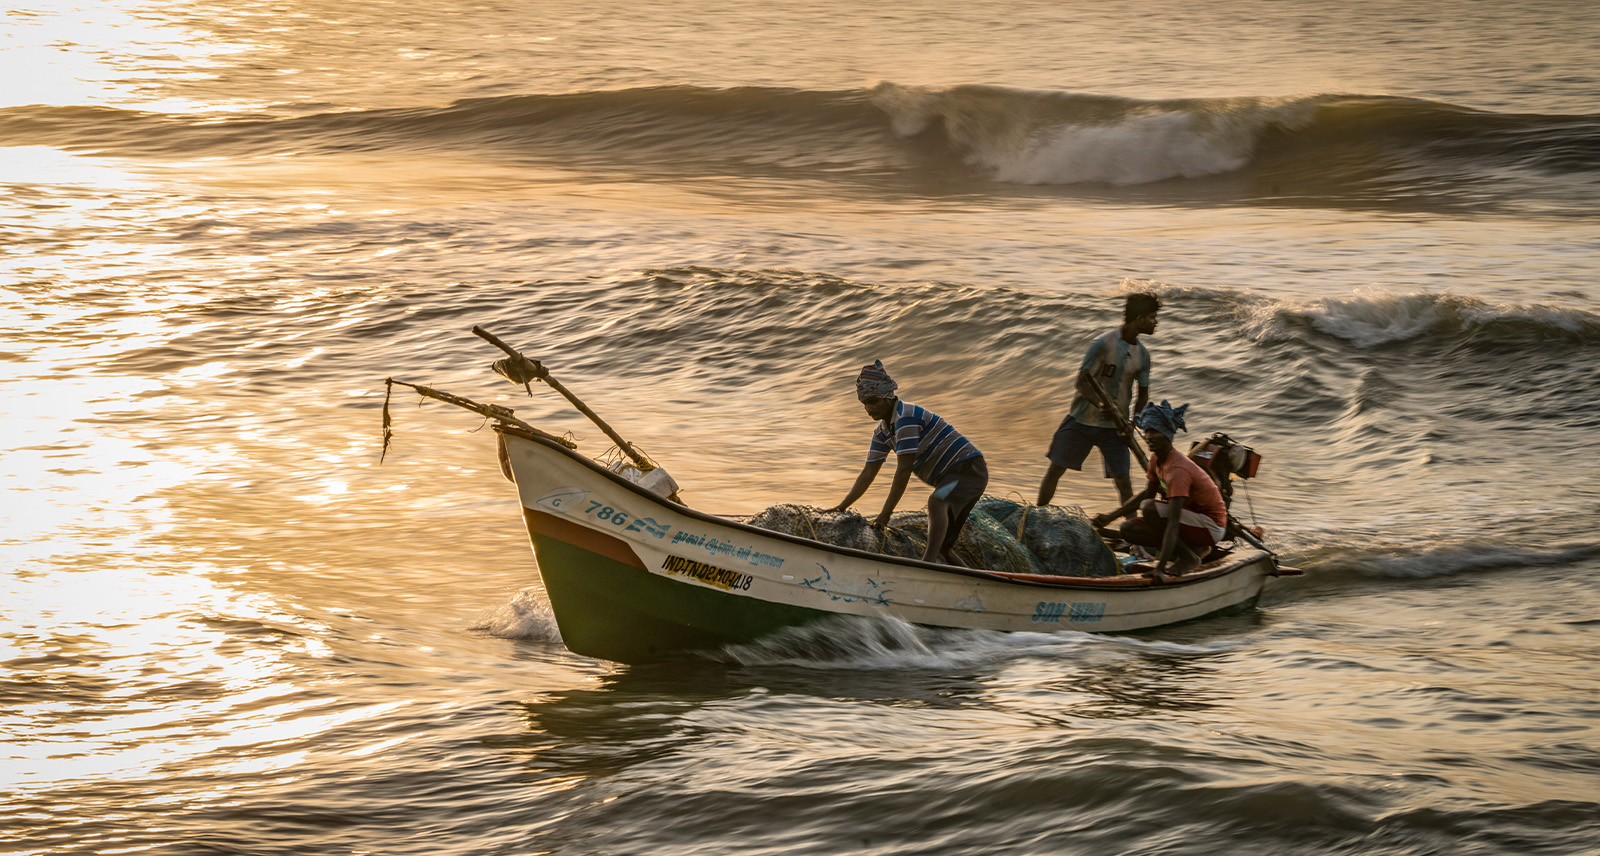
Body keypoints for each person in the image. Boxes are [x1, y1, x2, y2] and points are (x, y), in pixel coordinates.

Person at [824, 360, 988, 565]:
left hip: (968, 469)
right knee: (944, 548)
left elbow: (904, 470)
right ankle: (974, 582)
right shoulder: (882, 433)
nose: (868, 408)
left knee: (937, 502)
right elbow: (867, 474)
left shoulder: (906, 418)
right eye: (864, 403)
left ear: (887, 397)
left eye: (873, 401)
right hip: (954, 477)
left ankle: (926, 565)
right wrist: (841, 507)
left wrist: (885, 515)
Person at [1037, 292, 1160, 506]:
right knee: (1056, 469)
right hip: (1081, 420)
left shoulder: (1143, 355)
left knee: (1123, 482)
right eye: (1152, 317)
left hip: (1115, 427)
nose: (1155, 322)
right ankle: (1035, 516)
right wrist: (1101, 404)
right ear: (1139, 319)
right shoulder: (1102, 344)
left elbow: (1143, 395)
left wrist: (1134, 422)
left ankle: (1129, 530)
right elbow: (1082, 382)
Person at [1090, 400, 1228, 581]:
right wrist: (1110, 517)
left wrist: (1160, 569)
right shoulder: (1156, 459)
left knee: (1149, 508)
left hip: (1211, 526)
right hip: (1191, 520)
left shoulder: (1178, 470)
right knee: (1127, 529)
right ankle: (1190, 549)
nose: (1148, 436)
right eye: (1146, 431)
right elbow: (1147, 493)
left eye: (1154, 431)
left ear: (1166, 435)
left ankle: (1188, 557)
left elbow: (1172, 520)